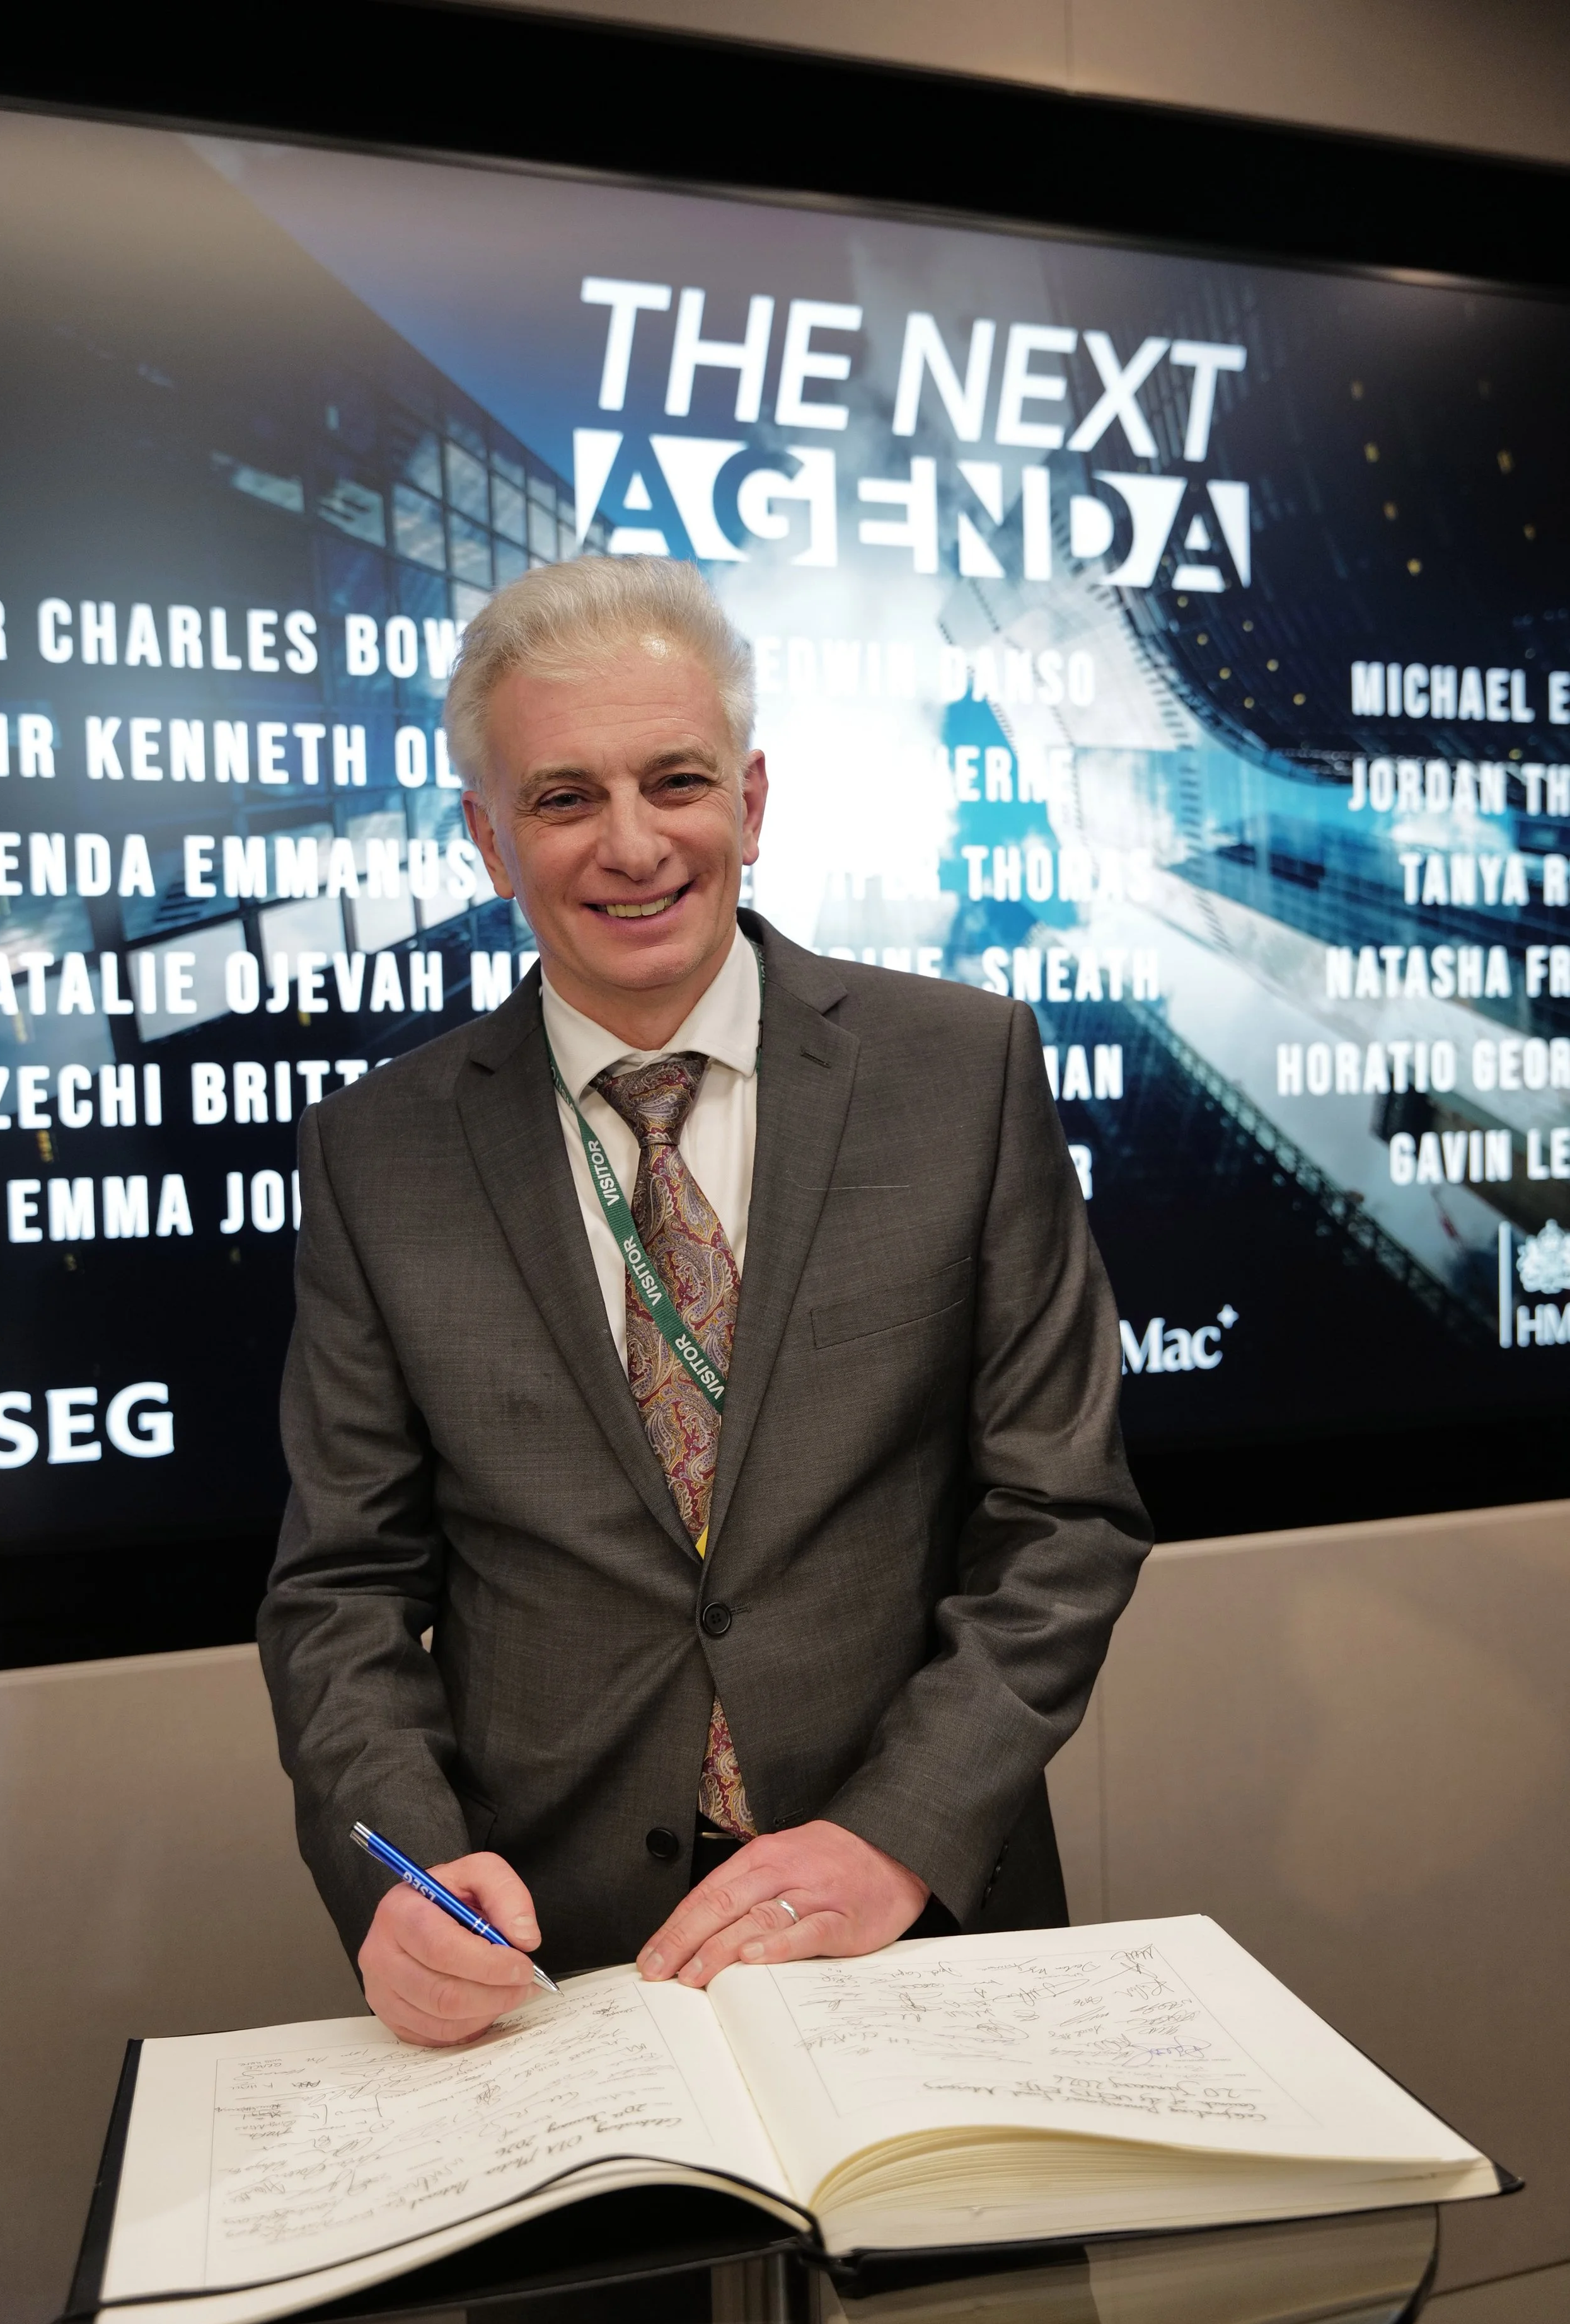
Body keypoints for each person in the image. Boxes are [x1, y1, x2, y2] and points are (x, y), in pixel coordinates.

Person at [258, 555, 1150, 2048]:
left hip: (920, 1923)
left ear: (749, 797)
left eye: (674, 781)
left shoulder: (962, 1071)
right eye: (562, 798)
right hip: (552, 1971)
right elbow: (339, 1589)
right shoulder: (377, 1151)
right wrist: (399, 1874)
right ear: (486, 839)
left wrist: (894, 1837)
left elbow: (1062, 1517)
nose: (632, 845)